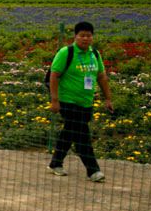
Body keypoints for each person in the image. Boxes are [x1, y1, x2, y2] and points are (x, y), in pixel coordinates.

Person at [48, 21, 113, 182]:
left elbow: (101, 77)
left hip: (86, 102)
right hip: (67, 100)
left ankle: (55, 162)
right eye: (82, 35)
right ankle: (93, 170)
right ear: (75, 36)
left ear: (93, 37)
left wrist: (108, 98)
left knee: (70, 132)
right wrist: (55, 100)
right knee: (81, 134)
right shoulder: (66, 53)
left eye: (88, 35)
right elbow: (54, 75)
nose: (85, 39)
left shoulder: (94, 54)